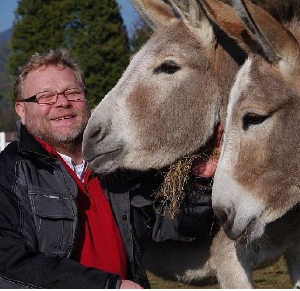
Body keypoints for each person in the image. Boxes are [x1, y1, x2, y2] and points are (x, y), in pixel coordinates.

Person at [0, 48, 218, 288]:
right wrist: (106, 285)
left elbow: (172, 228)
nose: (62, 102)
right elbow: (9, 262)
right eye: (45, 97)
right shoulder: (9, 174)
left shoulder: (121, 165)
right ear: (21, 110)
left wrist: (200, 181)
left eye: (72, 92)